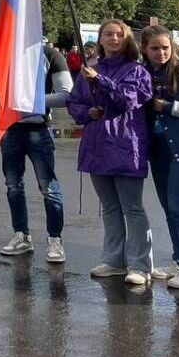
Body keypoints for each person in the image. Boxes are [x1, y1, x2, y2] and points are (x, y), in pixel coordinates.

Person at [67, 18, 154, 286]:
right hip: (97, 145)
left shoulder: (136, 71)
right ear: (100, 39)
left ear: (126, 38)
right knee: (110, 207)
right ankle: (114, 259)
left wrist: (101, 81)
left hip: (127, 144)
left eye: (119, 34)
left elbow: (128, 100)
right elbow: (74, 101)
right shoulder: (88, 70)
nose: (113, 39)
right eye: (108, 34)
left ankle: (140, 264)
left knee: (132, 208)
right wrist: (86, 113)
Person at [0, 40, 71, 263]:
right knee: (13, 186)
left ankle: (55, 239)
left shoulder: (50, 54)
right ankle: (21, 235)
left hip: (39, 131)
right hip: (10, 130)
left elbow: (66, 94)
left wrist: (31, 102)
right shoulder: (5, 54)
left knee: (49, 187)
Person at [141, 26, 179, 284]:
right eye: (155, 48)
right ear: (145, 49)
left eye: (165, 48)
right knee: (169, 207)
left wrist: (168, 106)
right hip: (158, 150)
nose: (160, 53)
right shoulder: (143, 73)